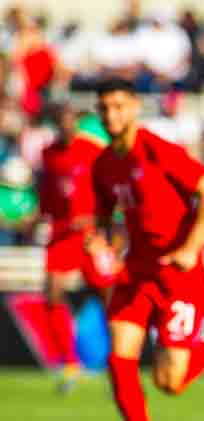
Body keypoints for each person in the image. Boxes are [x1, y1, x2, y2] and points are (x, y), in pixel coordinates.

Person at [89, 78, 204, 421]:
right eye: (104, 108)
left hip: (178, 275)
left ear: (135, 107)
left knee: (169, 382)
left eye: (119, 106)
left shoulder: (158, 150)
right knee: (119, 355)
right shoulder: (103, 165)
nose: (111, 115)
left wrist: (191, 247)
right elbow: (108, 222)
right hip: (137, 272)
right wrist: (102, 242)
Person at [32, 102, 115, 391]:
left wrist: (100, 220)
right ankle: (69, 363)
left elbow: (109, 187)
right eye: (62, 121)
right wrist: (40, 216)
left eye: (71, 121)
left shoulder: (91, 150)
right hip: (62, 233)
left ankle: (118, 361)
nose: (68, 126)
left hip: (91, 233)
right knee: (52, 293)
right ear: (56, 124)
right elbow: (49, 192)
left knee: (109, 294)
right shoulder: (49, 154)